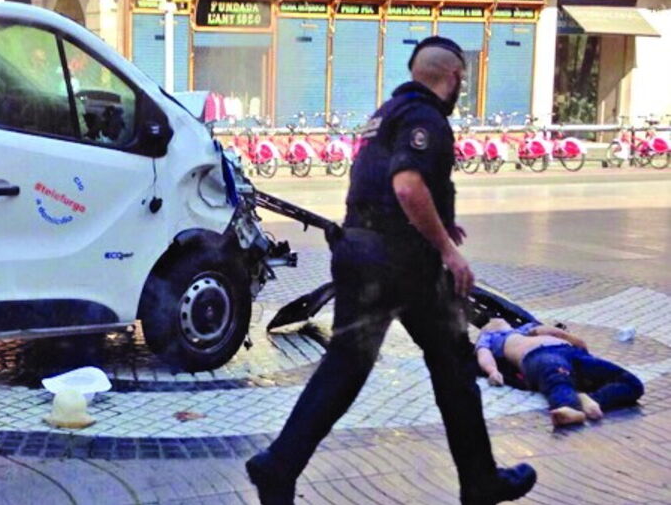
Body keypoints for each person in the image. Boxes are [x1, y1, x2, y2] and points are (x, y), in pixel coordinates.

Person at [246, 37, 537, 505]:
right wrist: (447, 249)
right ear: (455, 76)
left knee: (347, 367)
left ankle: (277, 465)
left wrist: (440, 221)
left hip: (360, 251)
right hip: (403, 265)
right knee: (453, 367)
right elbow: (406, 186)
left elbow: (383, 186)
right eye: (463, 77)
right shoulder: (427, 118)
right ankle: (480, 482)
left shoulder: (387, 112)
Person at [476, 318, 644, 426]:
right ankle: (568, 408)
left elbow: (554, 332)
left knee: (632, 384)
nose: (494, 320)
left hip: (571, 352)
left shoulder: (525, 328)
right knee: (557, 381)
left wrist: (575, 340)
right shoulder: (490, 338)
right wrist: (492, 371)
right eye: (489, 322)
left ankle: (590, 400)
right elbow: (484, 354)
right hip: (539, 355)